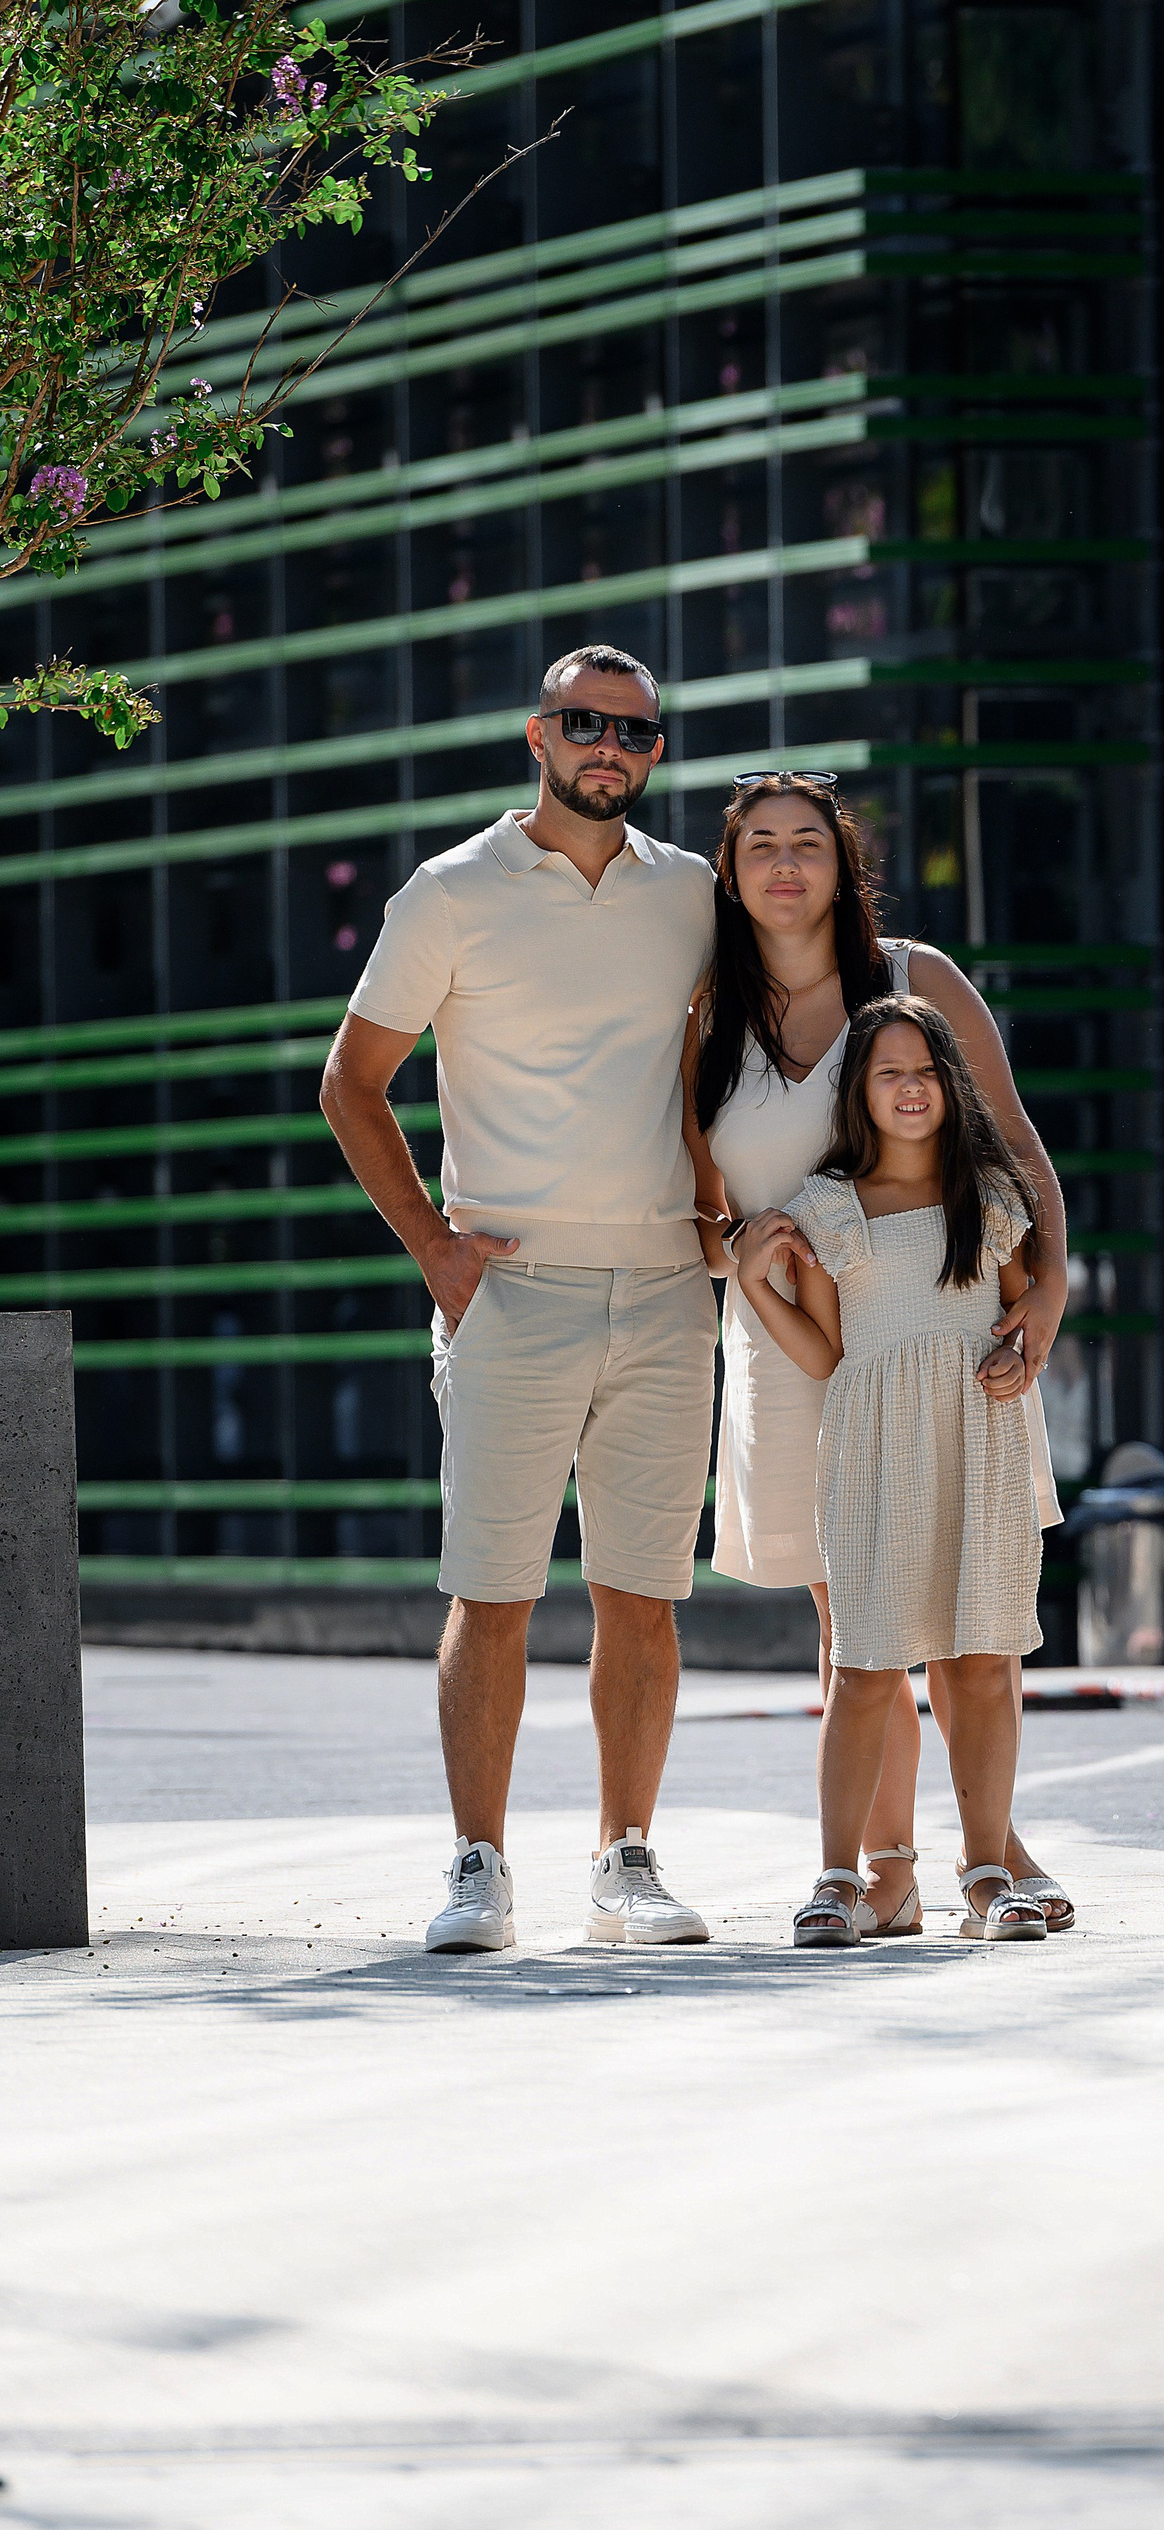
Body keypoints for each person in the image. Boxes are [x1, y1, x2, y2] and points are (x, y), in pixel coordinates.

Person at [319, 646, 718, 1956]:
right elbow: (351, 1083)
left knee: (641, 1596)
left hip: (668, 1288)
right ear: (536, 736)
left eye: (636, 732)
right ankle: (479, 1866)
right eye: (586, 723)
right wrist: (433, 1248)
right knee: (493, 1592)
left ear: (655, 754)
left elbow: (727, 1057)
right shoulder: (450, 892)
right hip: (512, 1291)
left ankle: (625, 1861)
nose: (611, 747)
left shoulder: (693, 893)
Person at [685, 769, 1075, 1932]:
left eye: (809, 842)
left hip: (951, 1329)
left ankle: (992, 1856)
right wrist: (736, 1251)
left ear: (844, 862)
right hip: (797, 1343)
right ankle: (887, 1868)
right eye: (760, 844)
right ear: (729, 872)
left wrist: (1050, 1295)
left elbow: (1015, 1149)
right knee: (853, 1621)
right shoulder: (704, 1012)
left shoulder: (916, 980)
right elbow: (698, 1207)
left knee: (973, 1604)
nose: (785, 864)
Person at [733, 996, 1061, 1945]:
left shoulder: (987, 1199)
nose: (910, 1088)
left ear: (951, 1085)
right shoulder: (828, 1209)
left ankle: (989, 1874)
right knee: (865, 1664)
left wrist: (1017, 1361)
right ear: (860, 1094)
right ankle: (842, 1876)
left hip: (977, 1446)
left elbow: (1018, 1321)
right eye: (888, 1073)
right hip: (875, 1455)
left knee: (982, 1661)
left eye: (925, 1071)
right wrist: (755, 1283)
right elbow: (828, 1354)